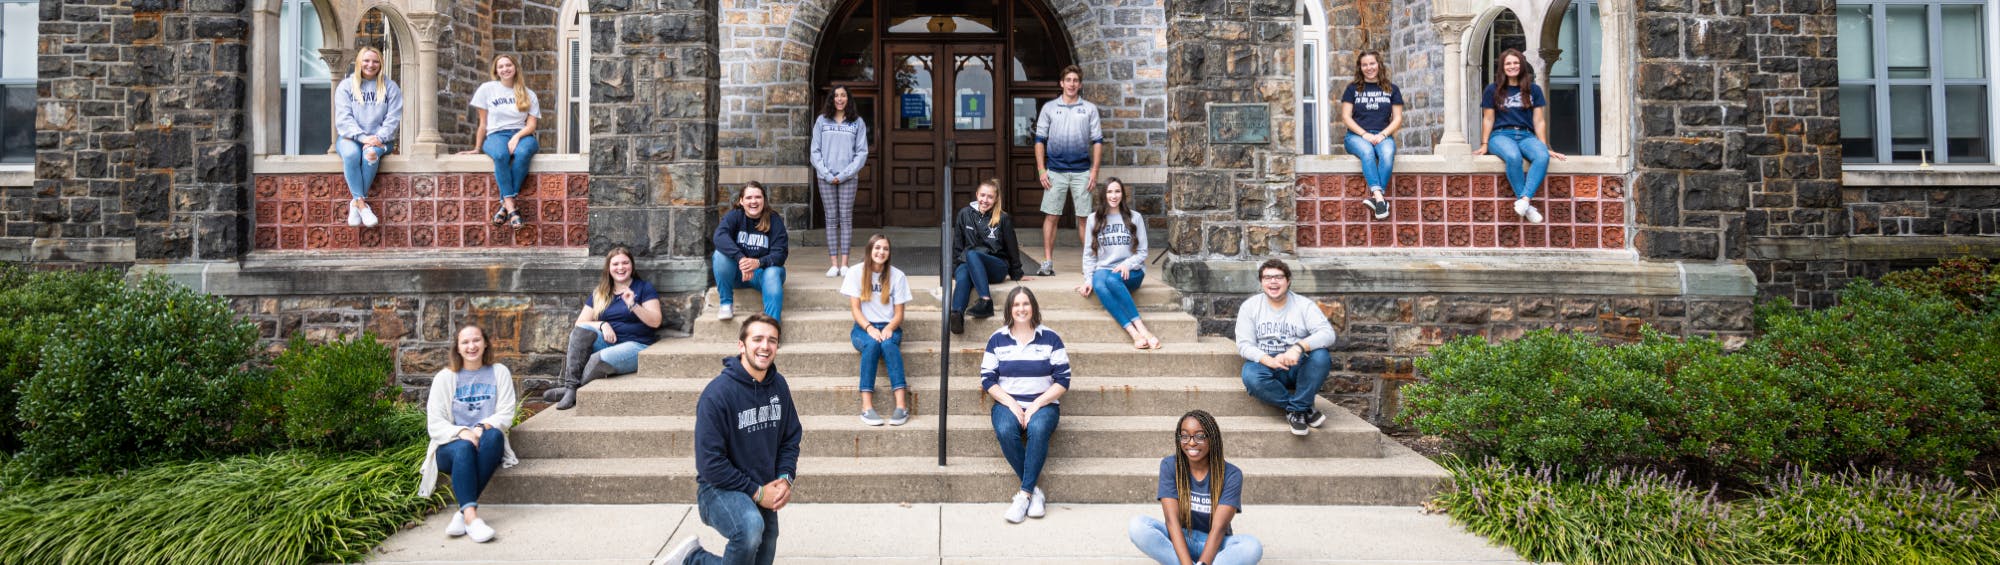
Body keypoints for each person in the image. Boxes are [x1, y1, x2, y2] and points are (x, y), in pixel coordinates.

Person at [660, 314, 802, 565]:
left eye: (772, 340)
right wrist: (757, 492)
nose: (765, 346)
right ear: (741, 345)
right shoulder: (718, 395)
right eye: (757, 339)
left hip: (763, 487)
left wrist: (784, 478)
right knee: (749, 528)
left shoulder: (779, 386)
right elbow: (710, 464)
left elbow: (790, 438)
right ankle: (694, 560)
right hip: (718, 489)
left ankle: (691, 558)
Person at [419, 325, 520, 544]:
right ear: (457, 347)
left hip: (484, 443)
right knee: (464, 447)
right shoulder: (445, 378)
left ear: (485, 344)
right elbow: (435, 424)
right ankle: (472, 518)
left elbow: (505, 413)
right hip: (450, 449)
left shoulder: (499, 372)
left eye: (476, 340)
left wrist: (480, 428)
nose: (471, 346)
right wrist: (462, 431)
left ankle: (464, 514)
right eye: (465, 342)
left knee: (494, 436)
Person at [1128, 410, 1263, 565]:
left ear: (1212, 439)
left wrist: (1203, 563)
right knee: (1138, 526)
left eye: (1200, 436)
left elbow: (1218, 528)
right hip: (1182, 540)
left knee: (1252, 547)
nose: (1191, 442)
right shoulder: (1170, 466)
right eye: (1184, 436)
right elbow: (1172, 522)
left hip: (1216, 544)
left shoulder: (1232, 474)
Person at [981, 286, 1069, 523]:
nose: (1021, 309)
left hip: (1044, 405)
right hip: (1006, 403)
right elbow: (987, 379)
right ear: (1010, 309)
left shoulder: (1051, 338)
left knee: (1038, 429)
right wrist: (1011, 404)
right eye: (1016, 304)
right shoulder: (997, 339)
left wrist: (1036, 405)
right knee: (1006, 430)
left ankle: (1023, 496)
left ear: (1033, 307)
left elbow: (1063, 380)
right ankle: (1034, 492)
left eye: (1026, 304)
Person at [542, 245, 661, 410]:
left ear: (631, 266)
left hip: (636, 345)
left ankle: (570, 390)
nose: (621, 267)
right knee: (581, 333)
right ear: (609, 268)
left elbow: (655, 321)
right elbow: (580, 323)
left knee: (596, 359)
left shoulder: (643, 288)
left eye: (625, 263)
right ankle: (570, 388)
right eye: (616, 264)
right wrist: (602, 324)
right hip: (608, 341)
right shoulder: (600, 292)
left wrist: (633, 305)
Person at [1234, 259, 1336, 436]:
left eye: (1278, 277)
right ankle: (1301, 408)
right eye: (1267, 277)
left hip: (1298, 364)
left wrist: (1298, 347)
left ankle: (1297, 410)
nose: (1273, 281)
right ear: (1261, 282)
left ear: (1288, 280)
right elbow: (1244, 345)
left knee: (1321, 356)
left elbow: (1328, 334)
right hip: (1267, 364)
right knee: (1250, 375)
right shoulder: (1250, 307)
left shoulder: (1304, 305)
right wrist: (1269, 360)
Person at [1475, 48, 1568, 224]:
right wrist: (1484, 144)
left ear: (1522, 65)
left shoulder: (1533, 89)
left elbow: (1539, 121)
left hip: (1526, 135)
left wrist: (1545, 146)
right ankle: (1528, 206)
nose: (1512, 66)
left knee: (1541, 156)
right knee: (1513, 156)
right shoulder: (1492, 89)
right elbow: (1488, 118)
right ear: (1502, 67)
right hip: (1501, 135)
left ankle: (1525, 201)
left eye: (1516, 63)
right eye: (1508, 63)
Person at [1034, 64, 1104, 277]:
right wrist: (1041, 170)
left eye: (1075, 80)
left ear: (1079, 84)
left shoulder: (1090, 109)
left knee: (1084, 218)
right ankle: (1047, 262)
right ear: (1061, 83)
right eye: (1068, 80)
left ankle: (1089, 264)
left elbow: (1098, 142)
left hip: (1082, 171)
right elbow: (1039, 141)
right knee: (1052, 216)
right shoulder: (1049, 108)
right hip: (1055, 171)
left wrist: (1094, 171)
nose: (1072, 84)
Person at [1073, 178, 1160, 350]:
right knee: (1099, 283)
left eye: (1117, 191)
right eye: (1110, 192)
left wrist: (1127, 264)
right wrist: (1088, 279)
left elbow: (1142, 251)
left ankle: (1142, 328)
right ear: (1103, 195)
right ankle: (1134, 334)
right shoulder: (1093, 219)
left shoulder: (1135, 217)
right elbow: (1089, 254)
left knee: (1112, 280)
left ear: (1122, 194)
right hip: (1104, 269)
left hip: (1132, 271)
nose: (1114, 196)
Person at [458, 54, 541, 230]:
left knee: (523, 152)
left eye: (508, 65)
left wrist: (517, 137)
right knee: (501, 155)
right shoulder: (487, 89)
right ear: (496, 70)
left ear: (515, 67)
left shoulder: (528, 93)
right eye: (501, 66)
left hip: (523, 134)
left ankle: (505, 206)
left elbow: (531, 125)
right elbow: (483, 123)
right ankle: (511, 208)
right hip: (495, 135)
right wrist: (477, 148)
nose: (505, 69)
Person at [842, 234, 912, 426]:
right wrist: (869, 328)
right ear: (870, 250)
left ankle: (901, 406)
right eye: (877, 248)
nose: (881, 252)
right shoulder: (856, 272)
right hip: (863, 327)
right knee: (872, 345)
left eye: (885, 249)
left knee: (889, 346)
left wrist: (889, 327)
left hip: (891, 327)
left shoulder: (897, 276)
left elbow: (899, 314)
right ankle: (866, 407)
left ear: (889, 253)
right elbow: (855, 309)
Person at [333, 46, 402, 228]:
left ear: (381, 64)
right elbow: (343, 118)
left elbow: (393, 118)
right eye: (366, 60)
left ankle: (356, 203)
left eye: (375, 61)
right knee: (350, 155)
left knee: (370, 154)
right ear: (359, 62)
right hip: (351, 137)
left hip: (382, 140)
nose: (370, 65)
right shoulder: (346, 86)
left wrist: (377, 138)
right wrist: (363, 137)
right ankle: (362, 205)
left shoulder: (390, 87)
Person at [950, 178, 1029, 335]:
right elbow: (957, 245)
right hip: (968, 263)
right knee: (964, 271)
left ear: (996, 199)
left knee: (972, 254)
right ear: (977, 194)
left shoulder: (1003, 218)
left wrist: (1017, 272)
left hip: (995, 266)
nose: (985, 200)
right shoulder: (964, 214)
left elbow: (1012, 247)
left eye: (990, 197)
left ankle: (986, 301)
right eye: (982, 195)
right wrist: (954, 270)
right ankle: (956, 315)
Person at [810, 86, 869, 278]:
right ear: (831, 99)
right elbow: (815, 151)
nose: (839, 99)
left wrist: (844, 174)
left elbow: (861, 152)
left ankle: (845, 264)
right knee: (831, 218)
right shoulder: (821, 121)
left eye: (843, 95)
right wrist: (827, 174)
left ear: (848, 99)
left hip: (848, 178)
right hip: (825, 178)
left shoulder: (857, 122)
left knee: (845, 218)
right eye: (836, 95)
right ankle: (833, 264)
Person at [712, 181, 790, 322]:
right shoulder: (735, 216)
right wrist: (741, 259)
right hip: (738, 273)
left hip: (763, 275)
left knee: (773, 272)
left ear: (764, 200)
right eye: (748, 198)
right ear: (741, 201)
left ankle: (772, 326)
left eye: (758, 197)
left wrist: (758, 263)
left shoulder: (774, 220)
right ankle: (726, 304)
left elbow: (780, 254)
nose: (753, 201)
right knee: (719, 256)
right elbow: (719, 236)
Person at [1339, 50, 1403, 220]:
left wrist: (1383, 134)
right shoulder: (1352, 89)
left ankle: (1377, 199)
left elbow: (1397, 119)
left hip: (1383, 135)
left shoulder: (1392, 89)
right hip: (1356, 136)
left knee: (1388, 154)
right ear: (1360, 68)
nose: (1369, 68)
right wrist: (1364, 134)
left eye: (1372, 63)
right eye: (1365, 65)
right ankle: (1380, 198)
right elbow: (1346, 117)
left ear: (1379, 64)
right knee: (1367, 152)